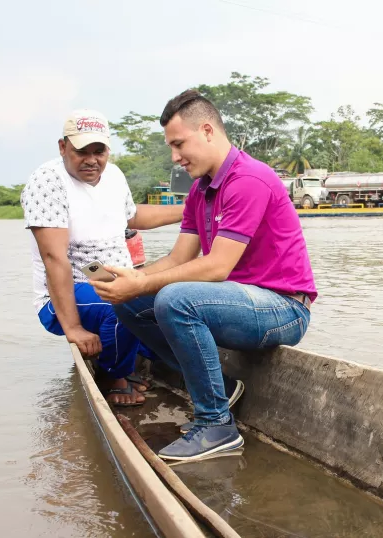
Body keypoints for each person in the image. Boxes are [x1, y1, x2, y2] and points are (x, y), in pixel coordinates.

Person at [91, 90, 317, 462]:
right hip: (236, 300)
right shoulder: (200, 190)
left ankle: (217, 426)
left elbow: (216, 266)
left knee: (175, 299)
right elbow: (179, 258)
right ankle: (220, 390)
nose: (175, 157)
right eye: (171, 147)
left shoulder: (249, 179)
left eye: (179, 144)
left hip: (283, 308)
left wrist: (145, 283)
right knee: (131, 304)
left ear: (208, 131)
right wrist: (131, 279)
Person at [21, 109, 185, 406]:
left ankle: (136, 356)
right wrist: (73, 328)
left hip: (114, 279)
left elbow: (133, 216)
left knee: (176, 299)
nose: (92, 159)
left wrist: (189, 211)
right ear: (63, 148)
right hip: (68, 290)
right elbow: (53, 258)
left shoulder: (113, 175)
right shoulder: (48, 181)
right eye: (82, 151)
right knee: (122, 307)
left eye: (99, 151)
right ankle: (114, 377)